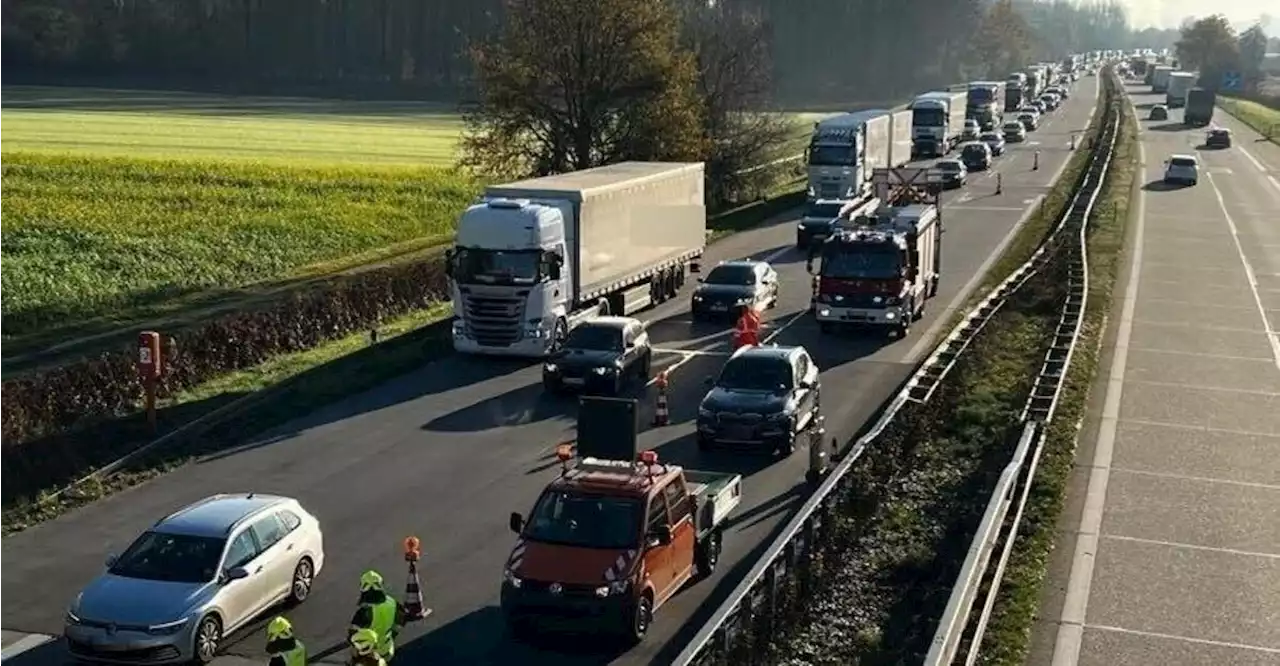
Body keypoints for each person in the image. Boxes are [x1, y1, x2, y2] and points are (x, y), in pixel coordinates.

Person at [348, 570, 404, 660]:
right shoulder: (392, 602)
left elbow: (352, 635)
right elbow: (400, 621)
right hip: (387, 649)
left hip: (369, 654)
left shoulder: (364, 612)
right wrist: (391, 635)